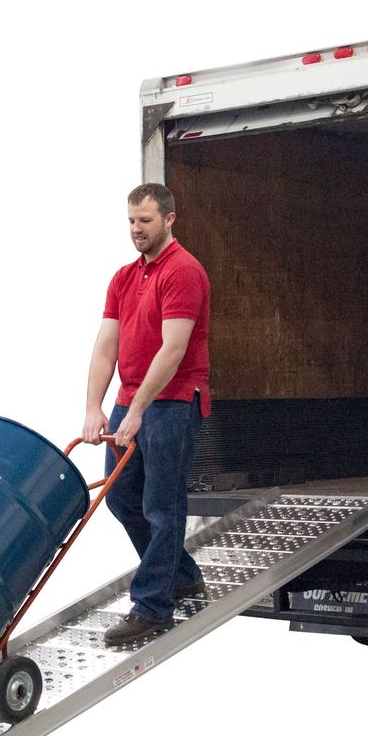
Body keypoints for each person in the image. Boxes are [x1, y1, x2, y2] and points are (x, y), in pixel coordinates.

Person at [82, 183, 211, 645]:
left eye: (146, 221)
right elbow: (106, 345)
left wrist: (138, 409)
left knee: (161, 505)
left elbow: (173, 349)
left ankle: (152, 606)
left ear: (169, 220)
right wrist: (94, 406)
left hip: (173, 402)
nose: (137, 229)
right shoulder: (123, 278)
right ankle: (183, 576)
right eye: (132, 221)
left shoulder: (184, 272)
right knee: (120, 498)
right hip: (130, 399)